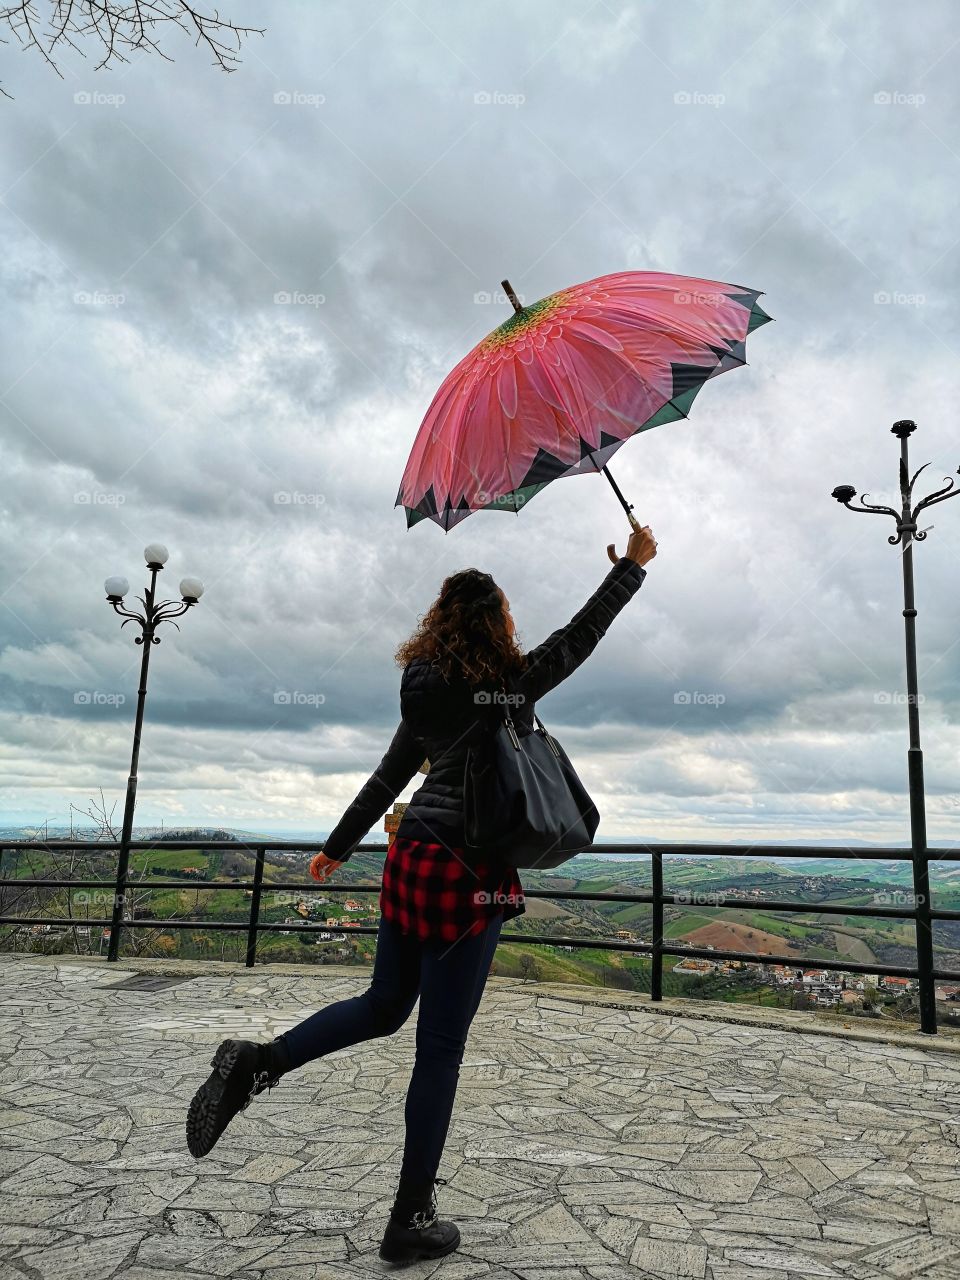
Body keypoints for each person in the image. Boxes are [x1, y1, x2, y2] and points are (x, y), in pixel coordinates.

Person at [186, 523, 657, 1265]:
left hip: (409, 862)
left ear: (436, 625)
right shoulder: (505, 686)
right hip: (468, 879)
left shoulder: (423, 693)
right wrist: (631, 569)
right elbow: (576, 640)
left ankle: (258, 1061)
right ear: (497, 625)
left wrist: (336, 848)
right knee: (438, 1050)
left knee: (381, 1006)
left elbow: (387, 775)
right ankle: (409, 1218)